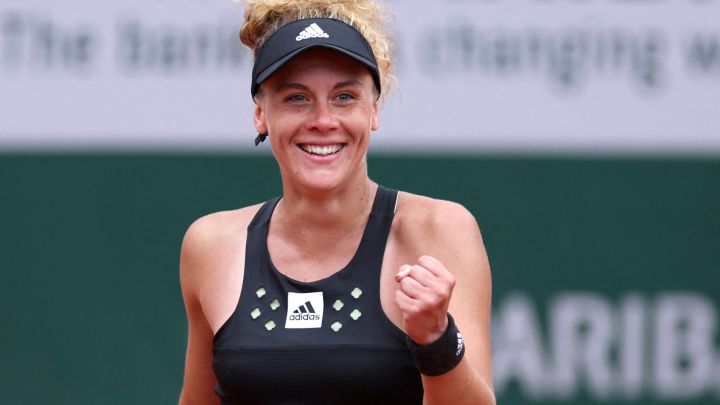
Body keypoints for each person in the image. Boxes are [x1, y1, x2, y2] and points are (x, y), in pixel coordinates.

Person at [178, 1, 495, 404]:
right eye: (297, 98)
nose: (323, 121)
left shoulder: (440, 230)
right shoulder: (211, 244)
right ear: (261, 114)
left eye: (344, 96)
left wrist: (436, 341)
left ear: (374, 110)